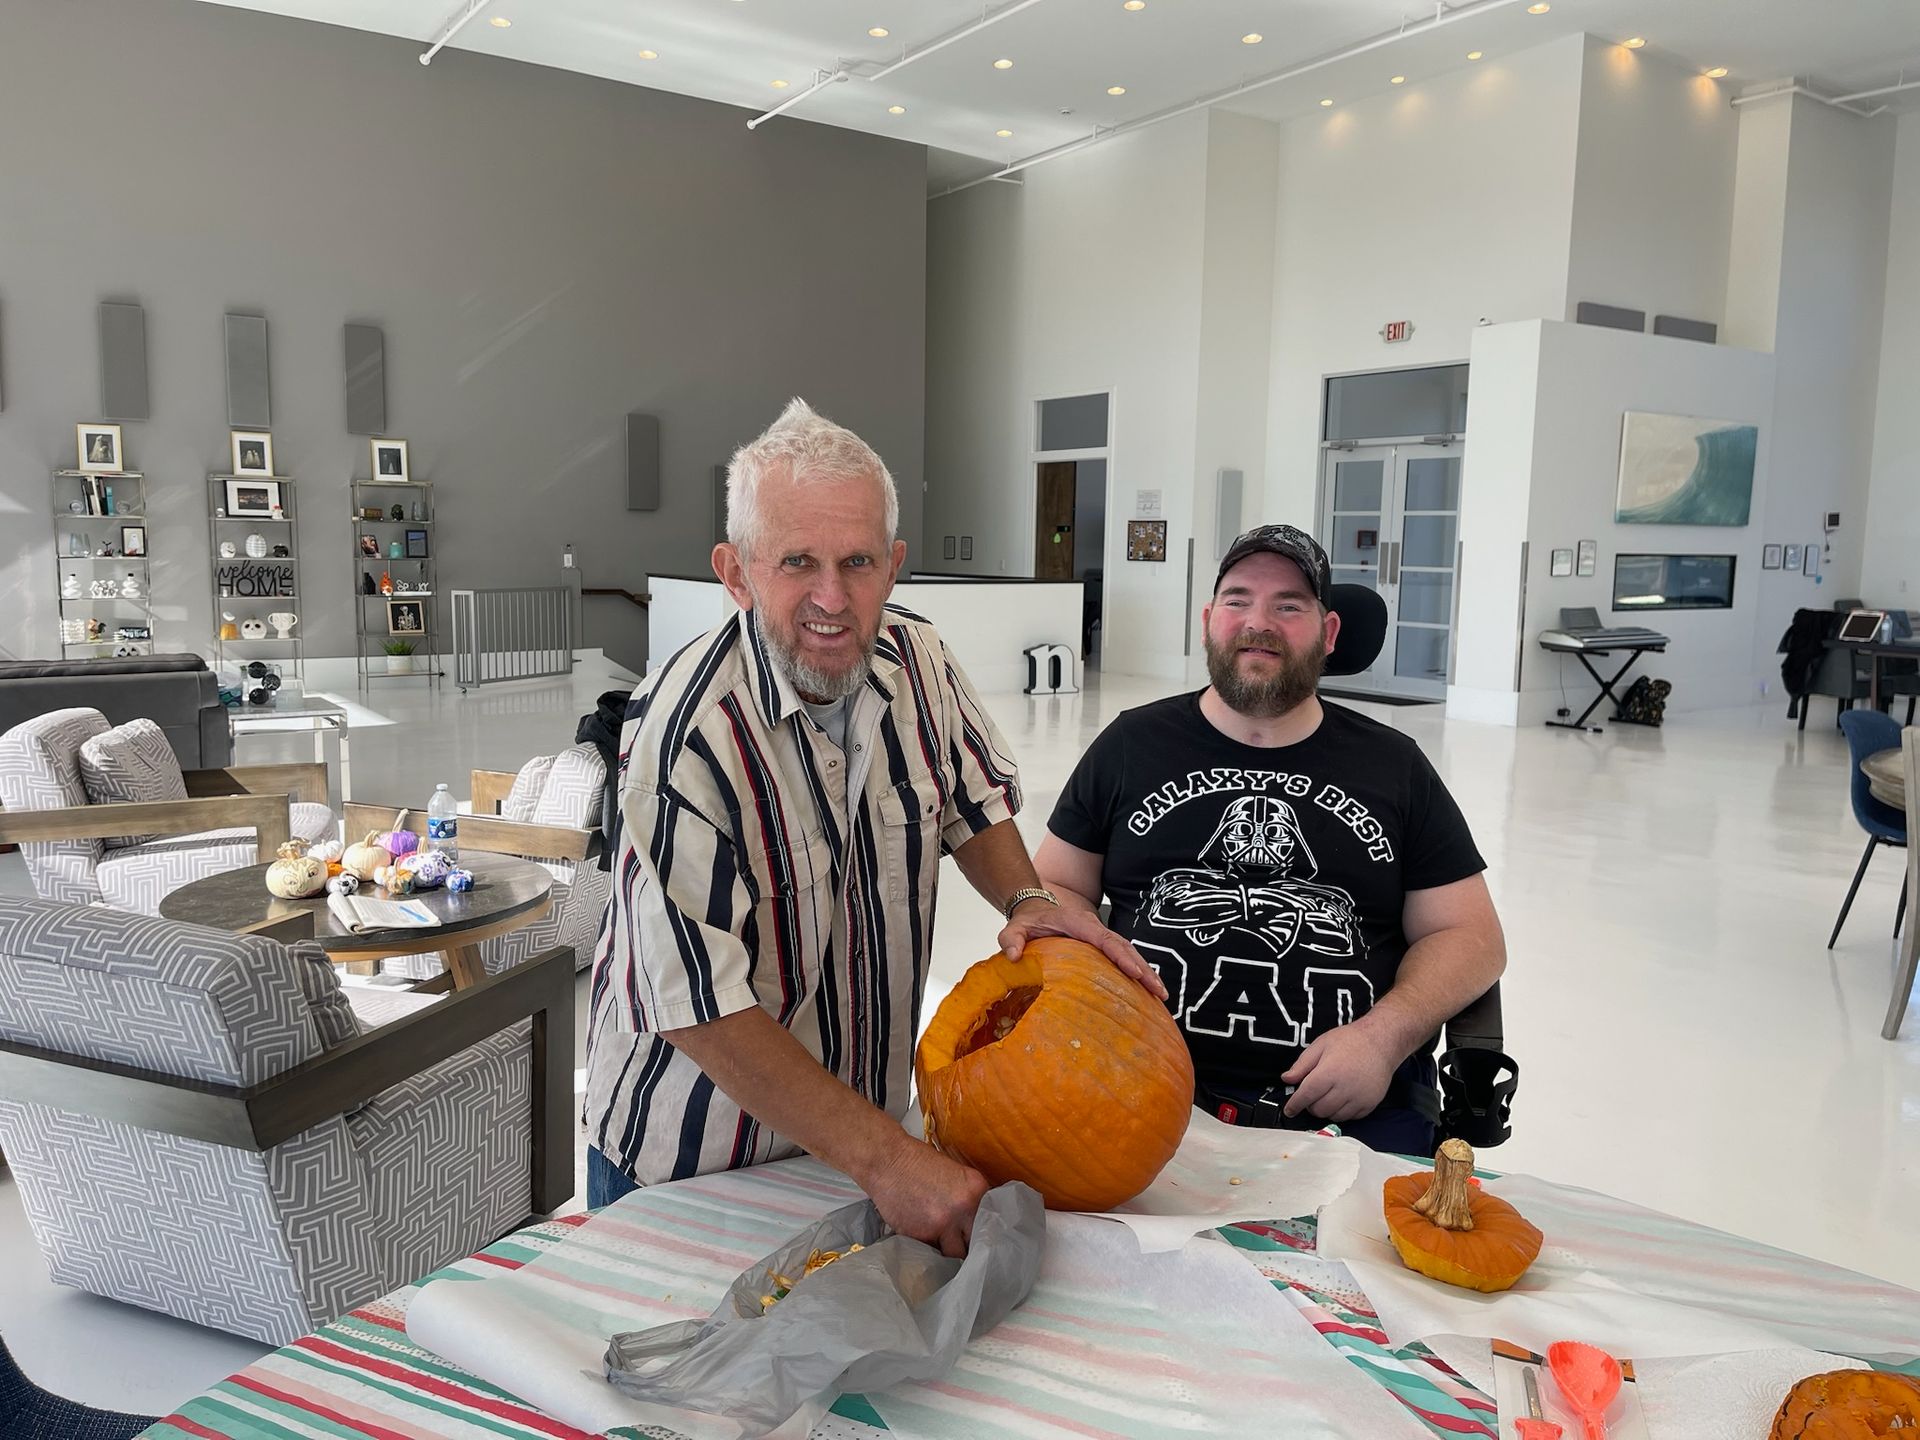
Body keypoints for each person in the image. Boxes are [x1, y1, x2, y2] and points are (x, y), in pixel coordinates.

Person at [583, 398, 1160, 1253]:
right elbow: (692, 1004)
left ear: (893, 566)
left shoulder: (918, 657)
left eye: (857, 562)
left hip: (860, 1141)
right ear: (736, 573)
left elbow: (972, 801)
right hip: (693, 1166)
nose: (832, 599)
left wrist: (1028, 899)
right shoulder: (684, 738)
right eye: (797, 563)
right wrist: (887, 1160)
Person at [1035, 523, 1505, 1155]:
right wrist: (1090, 998)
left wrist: (1384, 1038)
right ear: (1209, 620)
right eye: (1238, 600)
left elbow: (1471, 936)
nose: (1258, 623)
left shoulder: (1394, 767)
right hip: (1134, 1088)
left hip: (1351, 1115)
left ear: (1329, 633)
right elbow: (1055, 884)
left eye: (1288, 605)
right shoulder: (1130, 745)